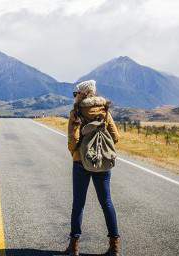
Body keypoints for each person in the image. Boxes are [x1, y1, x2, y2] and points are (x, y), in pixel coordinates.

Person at [64, 80, 121, 256]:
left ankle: (74, 247)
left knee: (78, 204)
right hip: (102, 162)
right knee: (107, 202)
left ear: (82, 94)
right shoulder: (105, 110)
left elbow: (73, 140)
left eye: (76, 93)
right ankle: (114, 246)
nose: (75, 96)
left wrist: (75, 151)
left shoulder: (77, 111)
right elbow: (116, 137)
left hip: (81, 162)